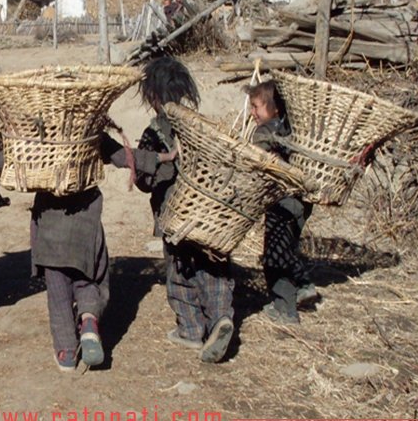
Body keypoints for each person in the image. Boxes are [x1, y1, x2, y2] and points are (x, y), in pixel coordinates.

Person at [32, 125, 175, 372]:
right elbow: (124, 156)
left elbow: (4, 162)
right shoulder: (89, 130)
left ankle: (66, 352)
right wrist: (165, 157)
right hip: (85, 220)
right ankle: (88, 321)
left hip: (49, 224)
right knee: (88, 278)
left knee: (58, 289)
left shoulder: (36, 135)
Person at [135, 56, 235, 363]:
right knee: (212, 266)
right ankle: (220, 318)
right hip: (207, 211)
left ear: (152, 95)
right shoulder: (200, 124)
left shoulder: (154, 132)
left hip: (173, 214)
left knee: (179, 270)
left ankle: (191, 330)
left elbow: (143, 178)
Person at [245, 81, 320, 325]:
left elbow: (256, 159)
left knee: (275, 255)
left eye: (256, 107)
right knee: (288, 247)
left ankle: (285, 309)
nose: (252, 113)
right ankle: (304, 285)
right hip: (301, 202)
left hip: (282, 202)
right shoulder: (292, 130)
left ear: (275, 109)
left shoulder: (265, 132)